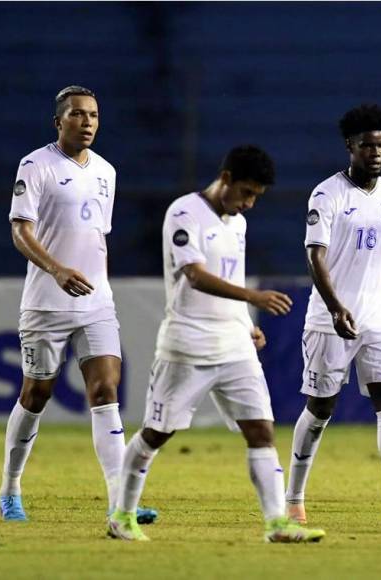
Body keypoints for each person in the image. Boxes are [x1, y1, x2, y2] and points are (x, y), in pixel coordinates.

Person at [107, 146, 325, 543]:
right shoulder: (185, 212)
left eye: (256, 195)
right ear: (224, 177)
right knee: (157, 432)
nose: (249, 203)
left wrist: (245, 323)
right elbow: (194, 275)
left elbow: (231, 273)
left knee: (261, 430)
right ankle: (121, 515)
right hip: (187, 345)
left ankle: (277, 523)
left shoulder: (236, 223)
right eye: (245, 192)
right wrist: (253, 298)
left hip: (233, 347)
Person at [1, 85, 156, 525]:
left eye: (93, 115)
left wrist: (95, 280)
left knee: (106, 392)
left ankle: (118, 501)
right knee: (36, 394)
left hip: (96, 303)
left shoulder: (107, 171)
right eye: (76, 115)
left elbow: (95, 236)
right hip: (46, 304)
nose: (86, 122)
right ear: (58, 121)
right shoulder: (36, 165)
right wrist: (56, 269)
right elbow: (20, 231)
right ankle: (10, 488)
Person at [285, 104, 381, 528]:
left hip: (377, 314)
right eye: (367, 145)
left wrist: (363, 307)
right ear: (350, 146)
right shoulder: (326, 194)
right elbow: (316, 255)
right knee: (321, 406)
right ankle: (294, 499)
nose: (376, 152)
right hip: (328, 316)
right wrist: (335, 308)